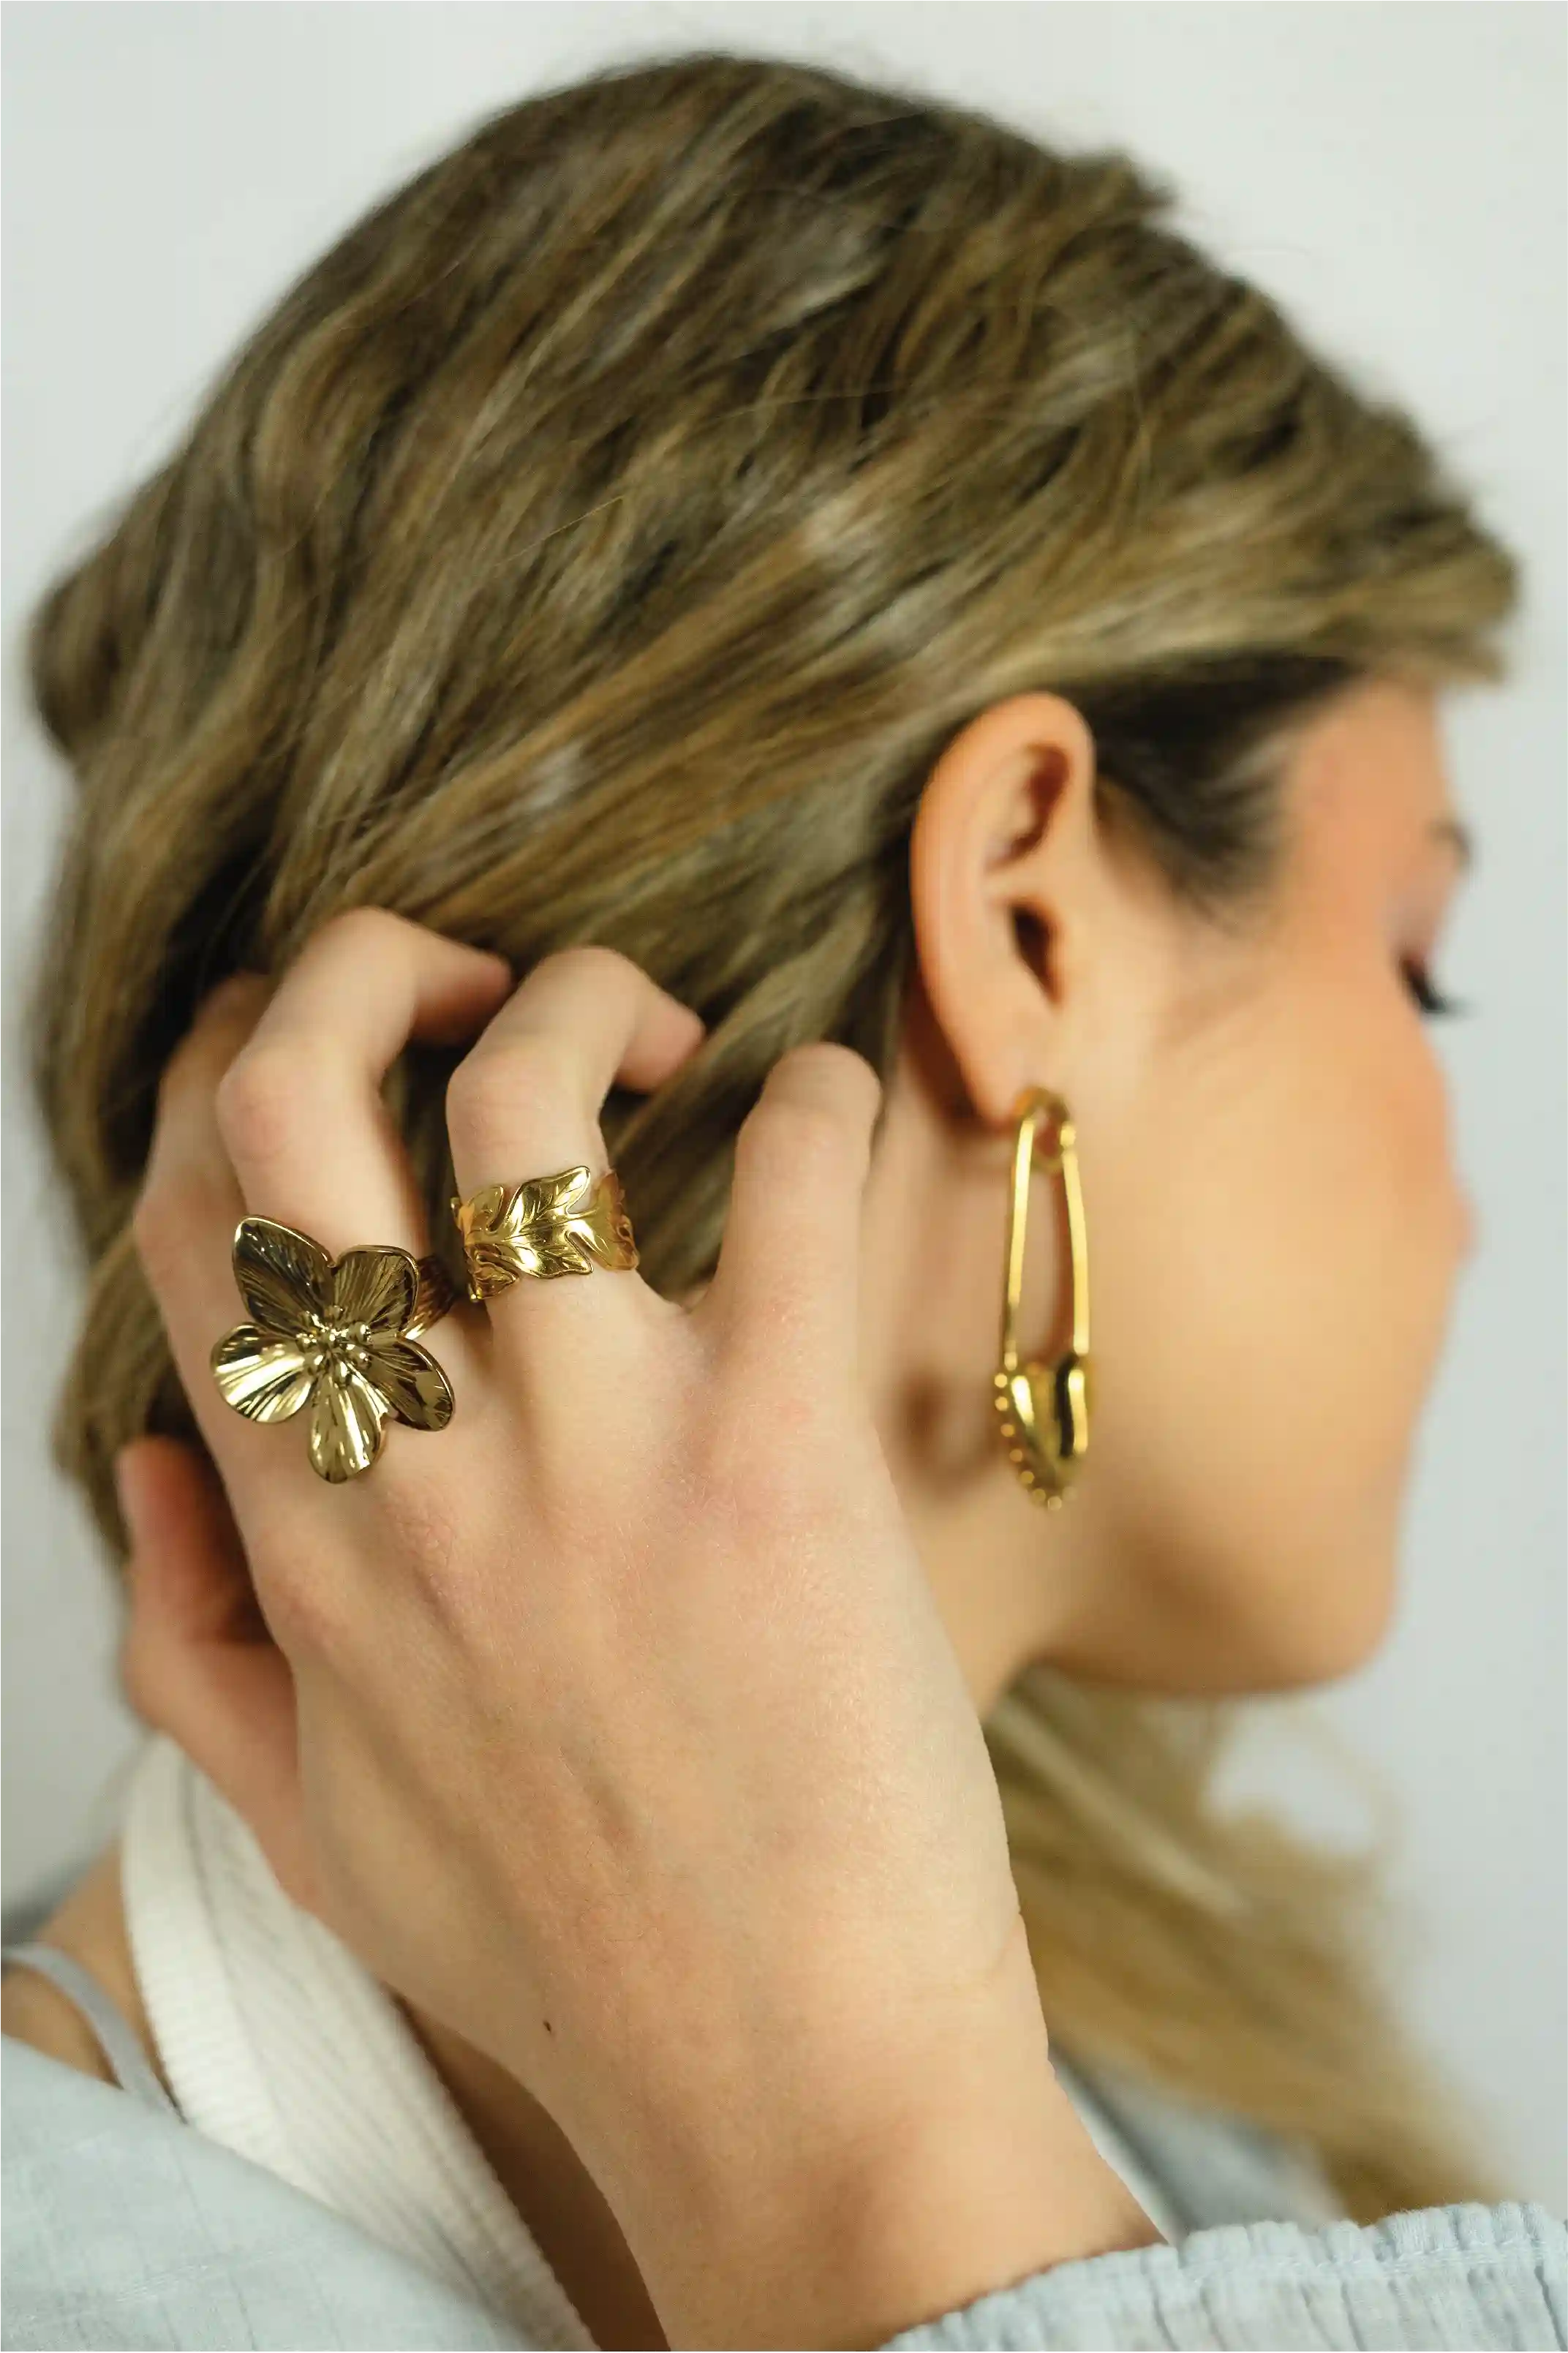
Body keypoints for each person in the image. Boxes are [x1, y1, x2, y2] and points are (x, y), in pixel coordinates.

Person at [1, 42, 1561, 2353]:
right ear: (1026, 913)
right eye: (1412, 965)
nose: (1475, 1215)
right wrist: (865, 2182)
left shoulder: (1184, 2067)